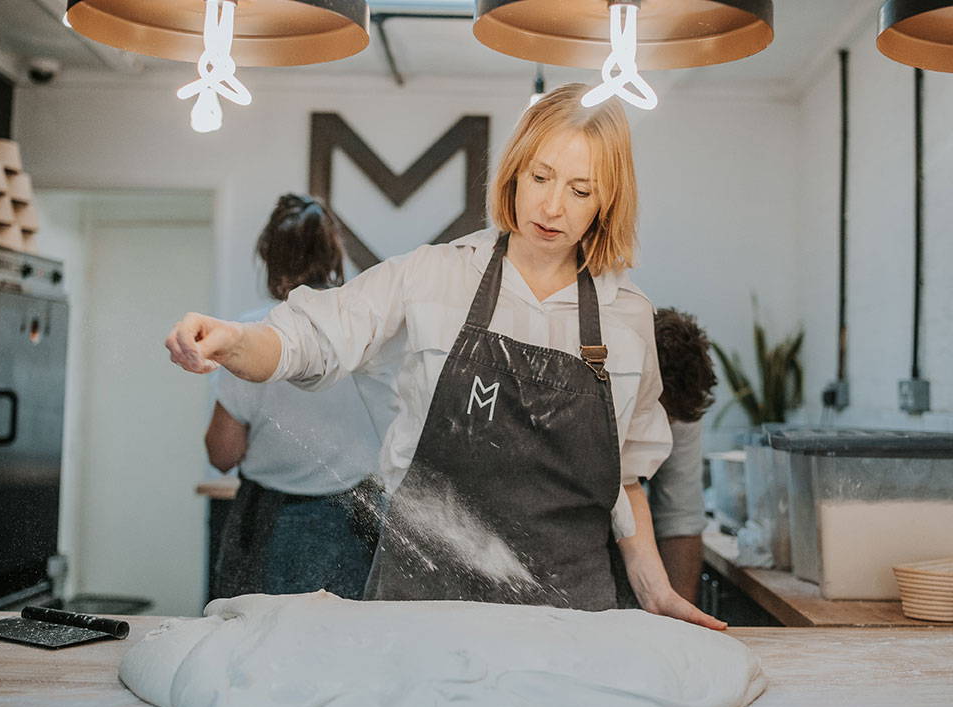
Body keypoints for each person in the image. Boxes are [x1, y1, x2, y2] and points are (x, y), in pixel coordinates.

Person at [167, 84, 725, 630]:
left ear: (609, 200)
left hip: (566, 615)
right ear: (514, 170)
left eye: (582, 191)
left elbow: (624, 481)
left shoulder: (626, 317)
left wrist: (657, 590)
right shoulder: (436, 274)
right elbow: (311, 337)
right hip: (423, 603)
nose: (553, 207)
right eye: (541, 177)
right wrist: (235, 341)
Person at [204, 194, 383, 599]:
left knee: (261, 645)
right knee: (351, 645)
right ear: (333, 254)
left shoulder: (253, 335)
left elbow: (222, 454)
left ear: (270, 256)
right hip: (359, 515)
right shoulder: (366, 330)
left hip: (272, 522)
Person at [648, 307, 717, 604]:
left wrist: (680, 623)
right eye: (655, 417)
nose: (662, 432)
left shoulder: (680, 402)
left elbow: (679, 517)